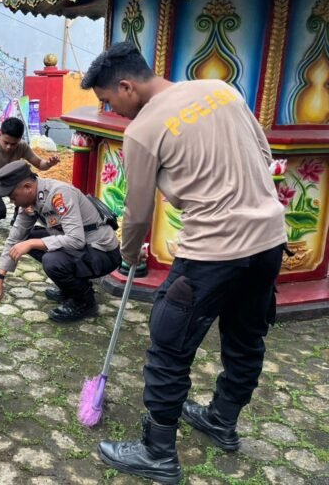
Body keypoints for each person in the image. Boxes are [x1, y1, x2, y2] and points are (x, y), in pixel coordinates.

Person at [82, 42, 286, 484]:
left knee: (169, 347)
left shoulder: (143, 130)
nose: (112, 112)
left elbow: (136, 212)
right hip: (270, 240)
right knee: (246, 336)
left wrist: (131, 253)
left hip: (213, 250)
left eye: (108, 102)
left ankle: (157, 452)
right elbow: (266, 156)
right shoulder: (221, 90)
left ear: (126, 86)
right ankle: (222, 419)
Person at [0, 161, 120, 322]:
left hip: (102, 253)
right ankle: (70, 288)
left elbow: (75, 240)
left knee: (51, 260)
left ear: (27, 187)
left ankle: (84, 302)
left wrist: (32, 244)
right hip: (83, 248)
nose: (13, 202)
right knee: (26, 238)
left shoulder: (59, 194)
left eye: (13, 197)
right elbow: (15, 238)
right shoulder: (30, 201)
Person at [0, 117, 60, 234]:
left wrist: (49, 163)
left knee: (31, 178)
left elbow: (40, 164)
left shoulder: (22, 146)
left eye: (13, 144)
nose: (9, 147)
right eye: (6, 143)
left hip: (6, 180)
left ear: (19, 139)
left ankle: (18, 217)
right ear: (0, 134)